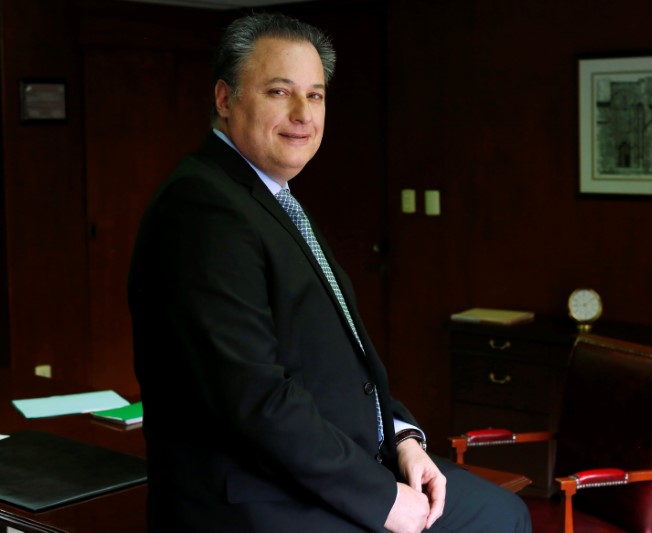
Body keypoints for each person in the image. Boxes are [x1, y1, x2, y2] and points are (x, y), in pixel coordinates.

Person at [128, 11, 531, 533]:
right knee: (500, 518)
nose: (303, 114)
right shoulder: (204, 209)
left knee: (500, 511)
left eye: (315, 96)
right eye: (279, 91)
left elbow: (333, 366)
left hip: (318, 474)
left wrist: (402, 437)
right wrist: (380, 496)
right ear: (225, 100)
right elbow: (255, 399)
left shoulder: (266, 198)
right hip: (255, 504)